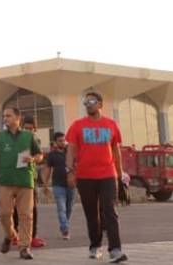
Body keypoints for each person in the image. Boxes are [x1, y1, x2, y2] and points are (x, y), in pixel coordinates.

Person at [65, 91, 128, 263]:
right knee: (92, 214)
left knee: (110, 211)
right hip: (85, 176)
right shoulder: (77, 125)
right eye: (85, 103)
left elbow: (116, 151)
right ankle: (95, 245)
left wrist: (120, 174)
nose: (88, 105)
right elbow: (71, 149)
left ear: (100, 104)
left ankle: (115, 249)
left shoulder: (111, 125)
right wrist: (69, 171)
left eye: (91, 101)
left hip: (108, 175)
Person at [0, 106, 42, 260]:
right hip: (4, 180)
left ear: (18, 118)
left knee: (26, 215)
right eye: (4, 116)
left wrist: (33, 159)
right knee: (4, 213)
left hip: (25, 180)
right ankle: (10, 235)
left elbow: (39, 155)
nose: (5, 119)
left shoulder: (29, 136)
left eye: (8, 116)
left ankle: (24, 247)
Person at [12, 116, 45, 249]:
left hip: (31, 177)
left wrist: (33, 159)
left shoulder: (36, 140)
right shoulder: (14, 138)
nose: (28, 131)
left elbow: (39, 157)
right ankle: (15, 234)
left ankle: (32, 236)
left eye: (31, 129)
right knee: (15, 208)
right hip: (14, 177)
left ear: (35, 129)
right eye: (26, 128)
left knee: (32, 208)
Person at [43, 131, 74, 240]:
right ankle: (65, 230)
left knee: (69, 208)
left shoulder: (70, 152)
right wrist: (45, 184)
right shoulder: (52, 155)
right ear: (55, 142)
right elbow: (47, 169)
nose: (63, 142)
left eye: (64, 140)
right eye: (60, 141)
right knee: (61, 208)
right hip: (58, 185)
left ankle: (65, 224)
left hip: (71, 185)